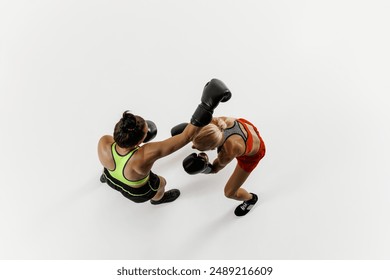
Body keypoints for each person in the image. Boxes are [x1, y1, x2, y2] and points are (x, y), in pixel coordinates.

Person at [97, 78, 232, 204]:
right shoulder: (145, 155)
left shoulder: (104, 142)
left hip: (110, 177)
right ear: (139, 142)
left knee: (111, 173)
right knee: (161, 183)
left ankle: (104, 178)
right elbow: (187, 136)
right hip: (136, 192)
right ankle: (157, 200)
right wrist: (206, 106)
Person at [172, 117, 265, 216]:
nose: (193, 147)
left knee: (229, 192)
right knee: (187, 128)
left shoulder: (228, 152)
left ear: (213, 148)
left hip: (253, 153)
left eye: (197, 147)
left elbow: (215, 169)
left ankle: (251, 199)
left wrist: (204, 167)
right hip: (245, 127)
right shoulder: (216, 122)